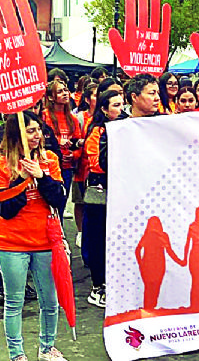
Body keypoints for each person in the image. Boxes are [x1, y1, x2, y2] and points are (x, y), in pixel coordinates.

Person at [0, 112, 68, 361]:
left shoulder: (50, 160)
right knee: (14, 302)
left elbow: (58, 199)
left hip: (46, 241)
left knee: (50, 301)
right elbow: (5, 210)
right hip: (12, 244)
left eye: (39, 130)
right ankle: (17, 354)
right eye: (30, 130)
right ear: (16, 135)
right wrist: (21, 180)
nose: (37, 135)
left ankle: (47, 348)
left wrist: (42, 177)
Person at [82, 89, 124, 308]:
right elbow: (98, 163)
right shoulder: (98, 131)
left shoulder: (126, 126)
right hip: (101, 192)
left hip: (121, 191)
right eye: (115, 105)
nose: (121, 109)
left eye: (122, 104)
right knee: (99, 239)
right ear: (104, 109)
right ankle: (98, 286)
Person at [42, 80, 85, 228]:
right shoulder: (44, 116)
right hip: (47, 168)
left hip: (66, 168)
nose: (65, 94)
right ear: (51, 97)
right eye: (60, 91)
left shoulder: (72, 118)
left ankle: (58, 237)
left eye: (66, 90)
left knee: (60, 205)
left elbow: (78, 143)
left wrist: (74, 155)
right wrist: (57, 142)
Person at [135, 216, 183, 310]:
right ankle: (148, 308)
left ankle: (151, 307)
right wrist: (140, 264)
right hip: (149, 265)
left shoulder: (162, 236)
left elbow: (169, 250)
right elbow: (137, 250)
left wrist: (179, 261)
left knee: (155, 287)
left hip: (157, 265)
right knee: (150, 287)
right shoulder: (148, 236)